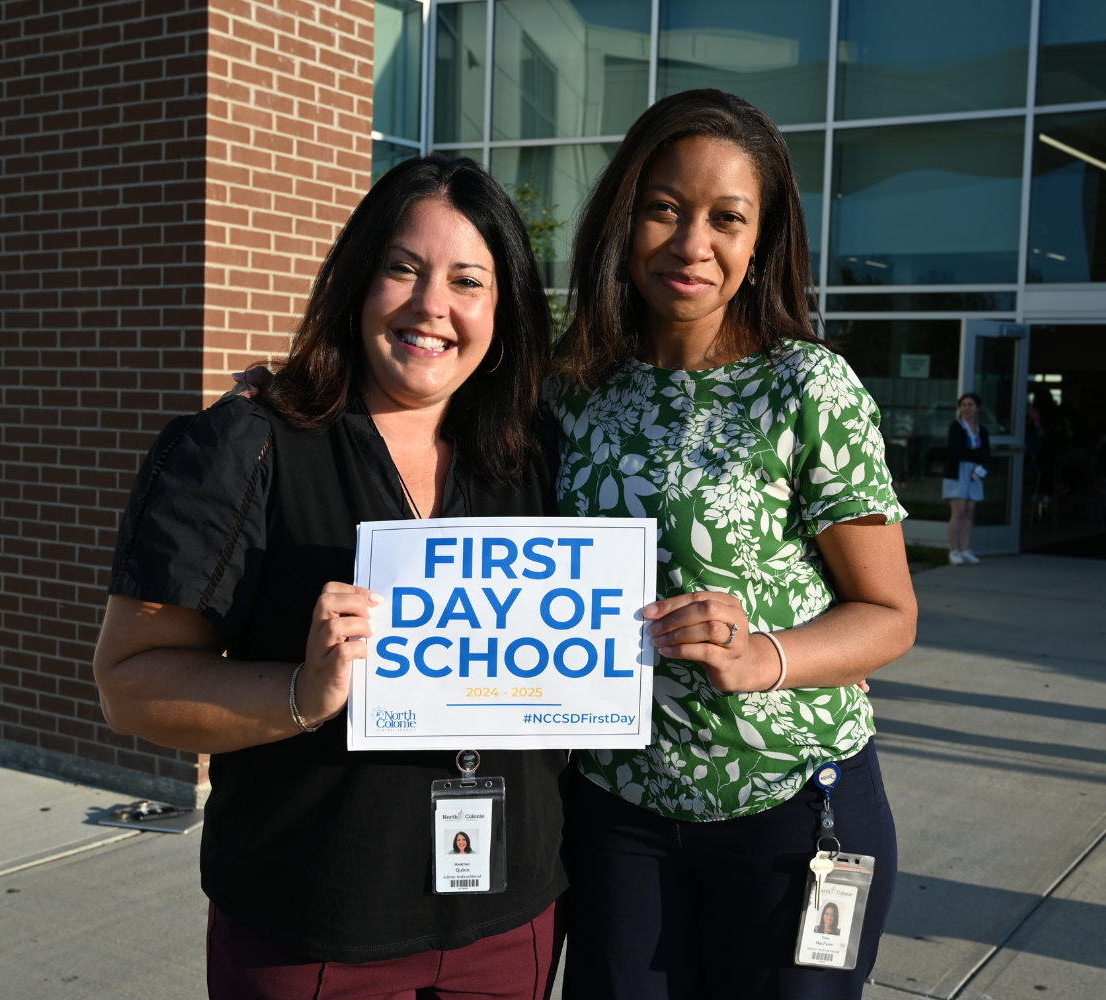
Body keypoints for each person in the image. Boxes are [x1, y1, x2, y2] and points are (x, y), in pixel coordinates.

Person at [92, 154, 567, 1000]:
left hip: (510, 921)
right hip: (313, 925)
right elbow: (130, 685)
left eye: (469, 281)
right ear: (356, 280)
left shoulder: (536, 458)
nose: (432, 306)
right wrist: (304, 692)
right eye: (402, 269)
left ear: (506, 311)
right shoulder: (246, 447)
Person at [546, 89, 918, 1000]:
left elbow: (891, 614)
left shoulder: (807, 386)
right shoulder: (568, 389)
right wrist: (294, 398)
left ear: (761, 242)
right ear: (622, 217)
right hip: (616, 813)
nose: (690, 243)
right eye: (664, 207)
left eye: (726, 218)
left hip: (792, 812)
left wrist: (768, 656)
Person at [943, 392, 989, 565]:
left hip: (974, 473)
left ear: (977, 408)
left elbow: (986, 454)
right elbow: (958, 449)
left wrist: (975, 456)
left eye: (970, 405)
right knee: (958, 512)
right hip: (957, 472)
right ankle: (953, 551)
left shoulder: (982, 430)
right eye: (963, 405)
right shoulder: (956, 427)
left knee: (969, 512)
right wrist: (976, 455)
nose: (966, 408)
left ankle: (966, 549)